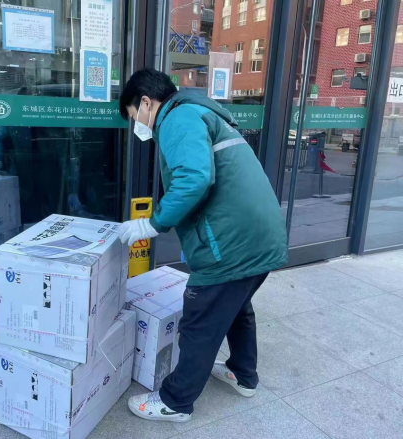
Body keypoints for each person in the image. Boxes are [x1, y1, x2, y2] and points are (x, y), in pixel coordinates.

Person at [117, 68, 287, 423]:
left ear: (146, 102)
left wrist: (152, 223)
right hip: (258, 236)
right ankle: (243, 374)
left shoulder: (177, 118)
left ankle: (176, 402)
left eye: (134, 116)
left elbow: (194, 177)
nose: (138, 126)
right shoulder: (201, 112)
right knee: (237, 308)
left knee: (200, 321)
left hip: (230, 242)